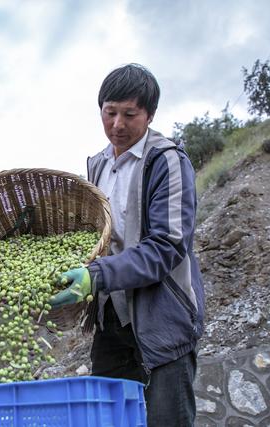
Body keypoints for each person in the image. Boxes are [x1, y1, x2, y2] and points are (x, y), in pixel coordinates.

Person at [50, 64, 205, 426]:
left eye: (129, 114)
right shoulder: (98, 165)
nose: (118, 124)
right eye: (110, 112)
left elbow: (167, 245)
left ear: (149, 114)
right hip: (112, 321)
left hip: (161, 318)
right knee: (112, 418)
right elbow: (96, 236)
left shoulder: (166, 161)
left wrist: (96, 276)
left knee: (167, 419)